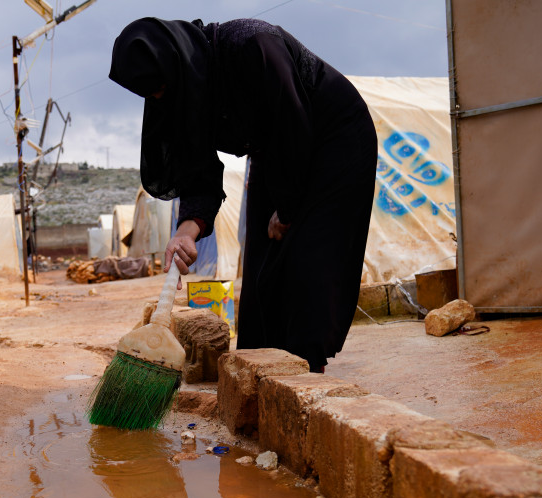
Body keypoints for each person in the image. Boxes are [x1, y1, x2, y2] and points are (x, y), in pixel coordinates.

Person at [109, 18, 377, 373]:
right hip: (276, 152)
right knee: (261, 268)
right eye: (151, 93)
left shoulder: (251, 45)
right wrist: (185, 233)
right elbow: (198, 173)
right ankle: (260, 370)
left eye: (160, 87)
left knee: (307, 256)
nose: (159, 97)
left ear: (174, 62)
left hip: (333, 138)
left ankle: (304, 373)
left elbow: (292, 123)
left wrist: (288, 209)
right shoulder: (183, 89)